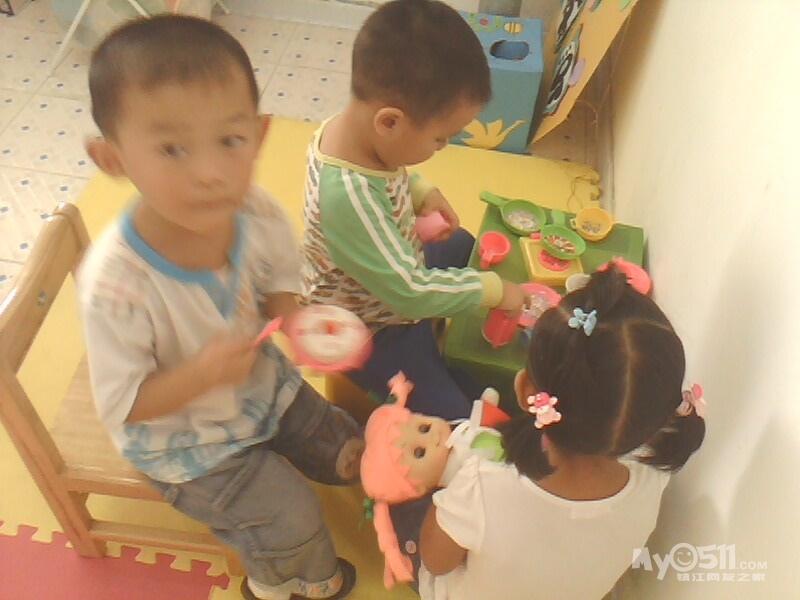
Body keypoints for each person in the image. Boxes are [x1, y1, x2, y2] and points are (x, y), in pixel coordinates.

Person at [78, 15, 362, 600]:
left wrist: (299, 321)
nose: (210, 174)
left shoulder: (253, 210)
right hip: (187, 445)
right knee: (289, 516)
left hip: (263, 388)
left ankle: (360, 471)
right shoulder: (115, 287)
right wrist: (202, 375)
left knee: (342, 440)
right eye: (171, 149)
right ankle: (283, 584)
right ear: (112, 158)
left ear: (259, 135)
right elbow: (126, 406)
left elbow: (278, 283)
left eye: (229, 141)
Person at [299, 0, 529, 421]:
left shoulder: (358, 131)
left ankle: (445, 328)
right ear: (389, 122)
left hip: (390, 275)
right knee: (459, 422)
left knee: (463, 244)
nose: (443, 147)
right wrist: (492, 291)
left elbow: (388, 171)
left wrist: (422, 192)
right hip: (370, 324)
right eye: (440, 139)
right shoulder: (347, 196)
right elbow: (408, 293)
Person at [417, 266, 707, 599]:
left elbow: (436, 562)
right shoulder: (653, 479)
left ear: (525, 390)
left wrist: (448, 491)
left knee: (406, 493)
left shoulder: (481, 484)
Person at [360, 373, 509, 589]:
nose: (433, 436)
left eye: (424, 427)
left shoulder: (454, 438)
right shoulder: (444, 505)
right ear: (418, 487)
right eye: (420, 452)